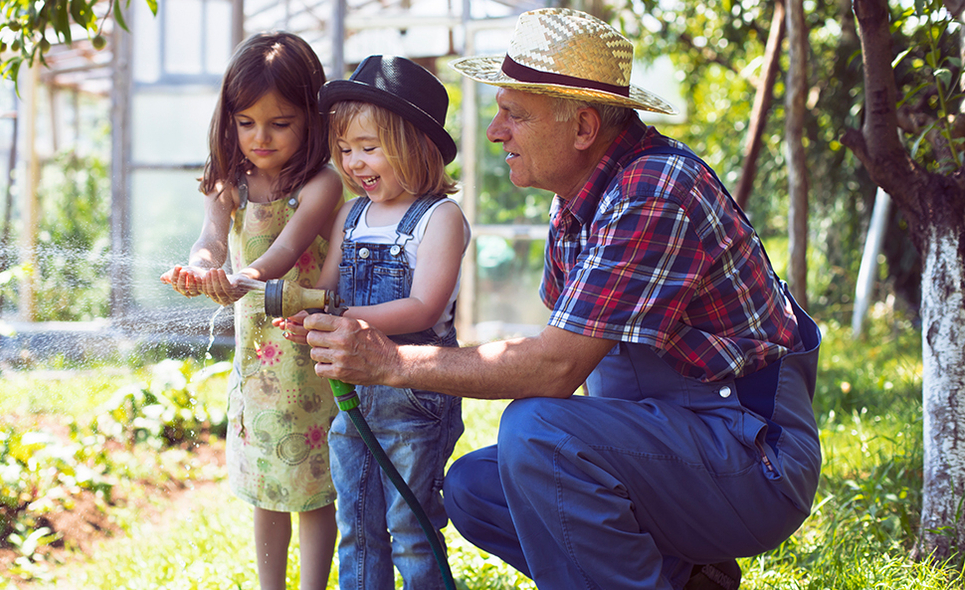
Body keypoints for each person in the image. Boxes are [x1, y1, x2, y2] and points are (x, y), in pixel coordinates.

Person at [292, 9, 822, 590]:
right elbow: (571, 361)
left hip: (750, 459)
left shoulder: (653, 192)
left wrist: (393, 362)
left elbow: (556, 369)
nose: (495, 132)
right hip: (676, 439)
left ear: (583, 128)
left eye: (514, 115)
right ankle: (689, 577)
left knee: (539, 432)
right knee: (476, 489)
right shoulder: (578, 201)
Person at [159, 31, 343, 590]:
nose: (260, 137)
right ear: (228, 120)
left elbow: (286, 249)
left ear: (311, 119)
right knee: (265, 485)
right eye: (246, 122)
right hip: (257, 371)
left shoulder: (321, 184)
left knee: (312, 490)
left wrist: (243, 276)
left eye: (280, 123)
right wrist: (199, 269)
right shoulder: (230, 183)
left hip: (310, 358)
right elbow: (210, 239)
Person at [279, 55, 470, 590]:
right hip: (354, 394)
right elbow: (329, 288)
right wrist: (311, 314)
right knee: (356, 524)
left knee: (409, 524)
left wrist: (344, 319)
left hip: (415, 393)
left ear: (415, 145)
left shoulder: (439, 218)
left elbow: (424, 307)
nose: (354, 162)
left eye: (369, 147)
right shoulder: (351, 215)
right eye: (344, 150)